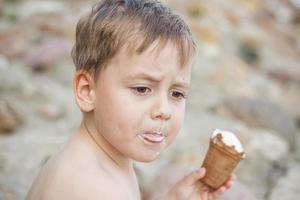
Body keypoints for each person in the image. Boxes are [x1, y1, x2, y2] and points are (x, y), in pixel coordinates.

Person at [26, 0, 235, 199]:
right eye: (142, 89)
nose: (164, 110)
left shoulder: (105, 160)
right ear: (87, 90)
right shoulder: (90, 187)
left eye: (177, 94)